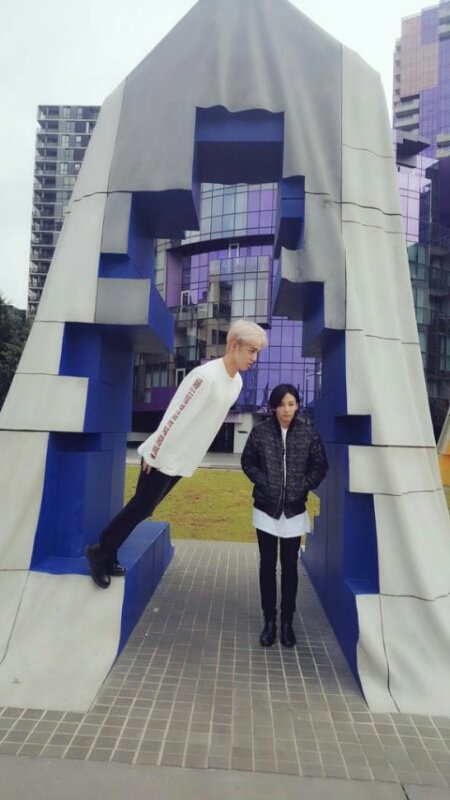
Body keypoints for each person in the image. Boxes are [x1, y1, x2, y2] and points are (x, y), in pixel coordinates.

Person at [85, 319, 268, 588]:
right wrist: (154, 452)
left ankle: (108, 551)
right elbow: (175, 415)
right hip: (163, 455)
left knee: (144, 508)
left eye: (257, 352)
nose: (255, 358)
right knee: (141, 506)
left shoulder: (236, 382)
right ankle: (100, 551)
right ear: (234, 346)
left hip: (182, 459)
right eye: (251, 351)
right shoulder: (204, 377)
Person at [241, 384, 328, 648]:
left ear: (297, 405)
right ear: (273, 407)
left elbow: (320, 466)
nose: (286, 410)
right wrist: (265, 483)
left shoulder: (308, 433)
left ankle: (287, 622)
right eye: (281, 405)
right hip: (266, 510)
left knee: (289, 568)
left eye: (291, 404)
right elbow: (248, 462)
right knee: (267, 567)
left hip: (294, 511)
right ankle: (269, 622)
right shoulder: (260, 432)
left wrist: (301, 486)